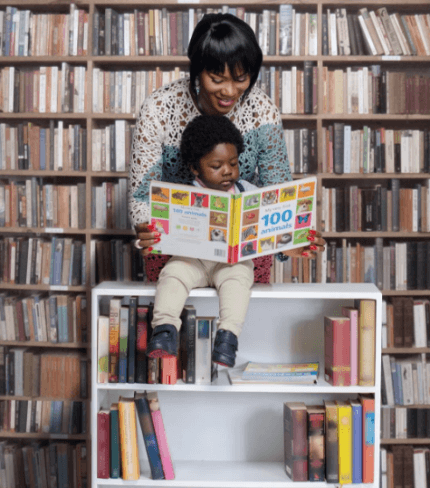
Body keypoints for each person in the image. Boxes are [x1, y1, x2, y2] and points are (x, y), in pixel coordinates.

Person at [128, 12, 325, 268]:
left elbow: (277, 194)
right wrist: (146, 229)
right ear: (197, 70)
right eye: (217, 79)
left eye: (241, 79)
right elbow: (141, 194)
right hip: (177, 248)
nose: (229, 92)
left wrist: (293, 239)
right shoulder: (158, 109)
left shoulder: (262, 111)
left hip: (244, 249)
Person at [147, 115, 260, 368]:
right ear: (195, 168)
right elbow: (160, 232)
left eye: (233, 163)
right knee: (173, 274)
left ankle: (227, 338)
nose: (228, 171)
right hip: (192, 260)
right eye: (216, 165)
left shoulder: (248, 191)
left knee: (239, 280)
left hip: (230, 262)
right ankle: (164, 331)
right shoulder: (181, 195)